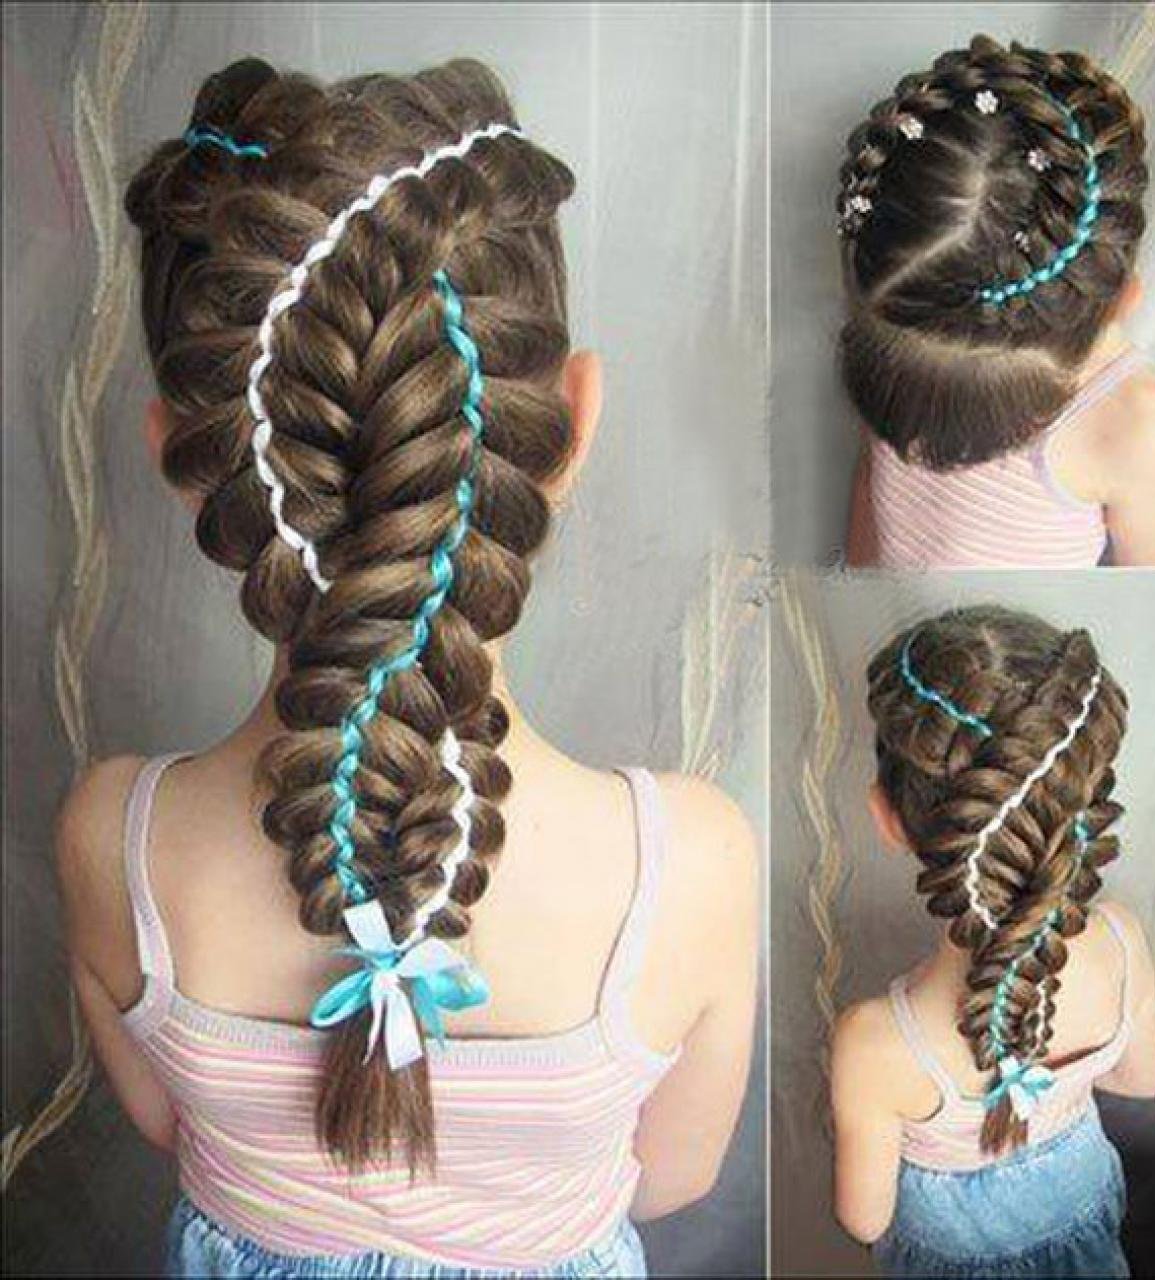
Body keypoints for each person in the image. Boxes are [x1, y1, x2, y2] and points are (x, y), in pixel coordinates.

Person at [56, 55, 757, 1279]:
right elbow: (674, 1176)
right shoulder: (688, 862)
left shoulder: (115, 835)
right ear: (571, 421)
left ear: (184, 457)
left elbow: (169, 1127)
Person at [832, 605, 1155, 1278]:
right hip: (1083, 1213)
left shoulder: (874, 1043)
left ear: (887, 818)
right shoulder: (1120, 942)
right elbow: (1141, 1080)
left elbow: (864, 1219)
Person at [837, 36, 1155, 568]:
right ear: (1126, 298)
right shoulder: (898, 322)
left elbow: (1150, 592)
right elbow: (870, 489)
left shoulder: (1137, 422)